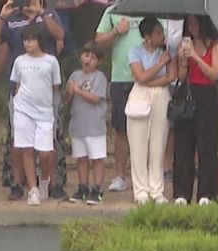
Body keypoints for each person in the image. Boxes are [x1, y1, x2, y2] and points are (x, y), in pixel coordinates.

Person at [0, 0, 64, 200]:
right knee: (19, 141)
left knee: (50, 141)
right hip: (20, 87)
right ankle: (18, 184)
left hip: (46, 91)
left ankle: (51, 183)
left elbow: (59, 36)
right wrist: (2, 17)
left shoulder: (49, 13)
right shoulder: (11, 17)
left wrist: (42, 14)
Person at [172, 14, 218, 206]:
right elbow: (181, 76)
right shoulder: (185, 44)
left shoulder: (215, 45)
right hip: (188, 93)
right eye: (189, 24)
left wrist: (196, 57)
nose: (192, 27)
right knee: (183, 145)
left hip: (207, 95)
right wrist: (183, 61)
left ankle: (207, 193)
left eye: (195, 23)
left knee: (207, 145)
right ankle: (182, 192)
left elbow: (214, 74)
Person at [94, 2, 143, 195]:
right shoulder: (112, 10)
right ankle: (120, 175)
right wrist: (116, 31)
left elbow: (164, 38)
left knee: (148, 129)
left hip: (148, 77)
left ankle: (145, 176)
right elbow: (97, 43)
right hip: (121, 78)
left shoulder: (152, 6)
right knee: (121, 128)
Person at [125, 15, 174, 205]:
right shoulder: (135, 52)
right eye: (158, 33)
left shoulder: (167, 51)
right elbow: (140, 77)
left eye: (162, 32)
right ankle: (140, 190)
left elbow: (172, 76)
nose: (162, 36)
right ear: (147, 36)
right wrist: (160, 64)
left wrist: (152, 80)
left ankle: (156, 189)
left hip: (161, 94)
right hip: (140, 95)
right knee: (138, 144)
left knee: (158, 143)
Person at [9, 26, 60, 206]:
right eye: (25, 40)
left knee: (45, 153)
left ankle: (44, 180)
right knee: (26, 149)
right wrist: (17, 104)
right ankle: (32, 189)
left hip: (44, 112)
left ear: (39, 41)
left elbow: (55, 88)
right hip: (23, 109)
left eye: (31, 39)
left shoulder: (51, 61)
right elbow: (17, 86)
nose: (27, 43)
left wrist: (53, 108)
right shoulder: (19, 61)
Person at [65, 42, 107, 205]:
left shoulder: (99, 77)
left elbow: (96, 99)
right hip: (78, 124)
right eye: (86, 55)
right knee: (81, 158)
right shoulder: (75, 76)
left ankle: (97, 188)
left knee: (96, 158)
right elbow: (68, 99)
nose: (88, 59)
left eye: (93, 57)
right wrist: (69, 93)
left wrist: (79, 91)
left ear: (99, 62)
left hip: (94, 126)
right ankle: (83, 187)